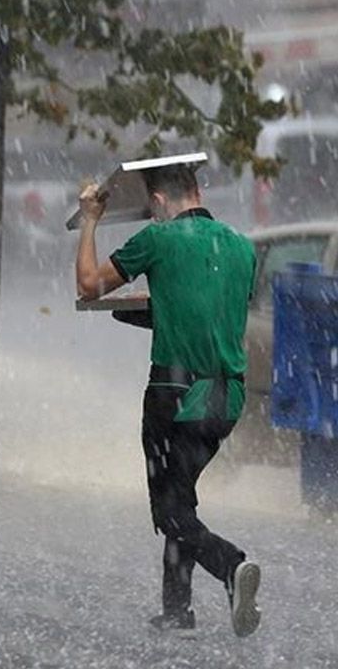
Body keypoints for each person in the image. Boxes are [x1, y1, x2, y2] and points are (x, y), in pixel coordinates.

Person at [74, 163, 261, 637]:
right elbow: (210, 312)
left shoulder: (158, 240)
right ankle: (177, 610)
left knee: (170, 511)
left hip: (174, 396)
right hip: (226, 399)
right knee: (181, 498)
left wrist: (91, 218)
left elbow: (89, 285)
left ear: (157, 203)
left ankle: (230, 565)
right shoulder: (241, 247)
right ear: (198, 190)